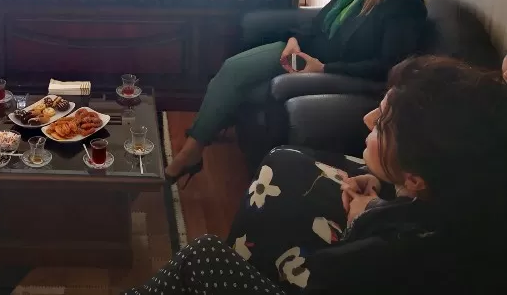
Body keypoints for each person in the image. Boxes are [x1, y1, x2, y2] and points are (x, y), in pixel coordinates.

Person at [129, 56, 507, 294]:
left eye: (382, 124)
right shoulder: (471, 190)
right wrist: (385, 187)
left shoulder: (381, 257)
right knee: (283, 163)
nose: (367, 119)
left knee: (203, 255)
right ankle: (251, 260)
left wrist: (365, 218)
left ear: (415, 178)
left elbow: (354, 267)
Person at [167, 0, 427, 184]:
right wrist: (294, 41)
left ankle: (190, 152)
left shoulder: (404, 6)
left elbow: (387, 67)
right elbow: (318, 25)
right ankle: (195, 147)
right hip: (301, 54)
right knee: (232, 71)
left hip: (323, 70)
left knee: (234, 75)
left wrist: (323, 69)